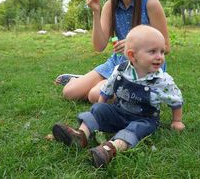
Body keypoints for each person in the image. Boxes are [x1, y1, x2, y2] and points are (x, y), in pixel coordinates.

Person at [52, 25, 185, 168]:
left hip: (144, 118)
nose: (159, 57)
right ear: (132, 56)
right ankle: (80, 135)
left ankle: (110, 149)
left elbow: (176, 100)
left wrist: (177, 121)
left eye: (162, 52)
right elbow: (107, 88)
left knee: (136, 128)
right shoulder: (121, 71)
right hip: (119, 111)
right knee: (99, 109)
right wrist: (101, 105)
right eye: (153, 51)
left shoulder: (163, 80)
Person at [55, 0, 170, 103]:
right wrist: (96, 12)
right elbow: (99, 46)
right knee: (69, 92)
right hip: (118, 63)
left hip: (145, 67)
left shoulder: (150, 3)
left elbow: (166, 47)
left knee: (95, 95)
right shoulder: (109, 6)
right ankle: (83, 81)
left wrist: (135, 46)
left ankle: (96, 84)